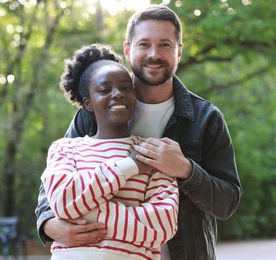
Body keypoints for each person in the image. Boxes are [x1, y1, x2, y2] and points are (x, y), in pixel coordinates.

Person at [36, 4, 242, 260]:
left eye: (165, 45)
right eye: (144, 44)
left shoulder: (206, 118)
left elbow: (228, 202)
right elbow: (55, 183)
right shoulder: (96, 111)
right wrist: (48, 225)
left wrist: (186, 170)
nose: (154, 54)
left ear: (179, 51)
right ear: (127, 49)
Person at [40, 43, 179, 260]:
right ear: (88, 103)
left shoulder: (152, 152)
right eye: (105, 90)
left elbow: (162, 225)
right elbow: (61, 201)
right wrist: (129, 166)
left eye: (126, 87)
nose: (118, 95)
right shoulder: (65, 149)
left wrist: (84, 210)